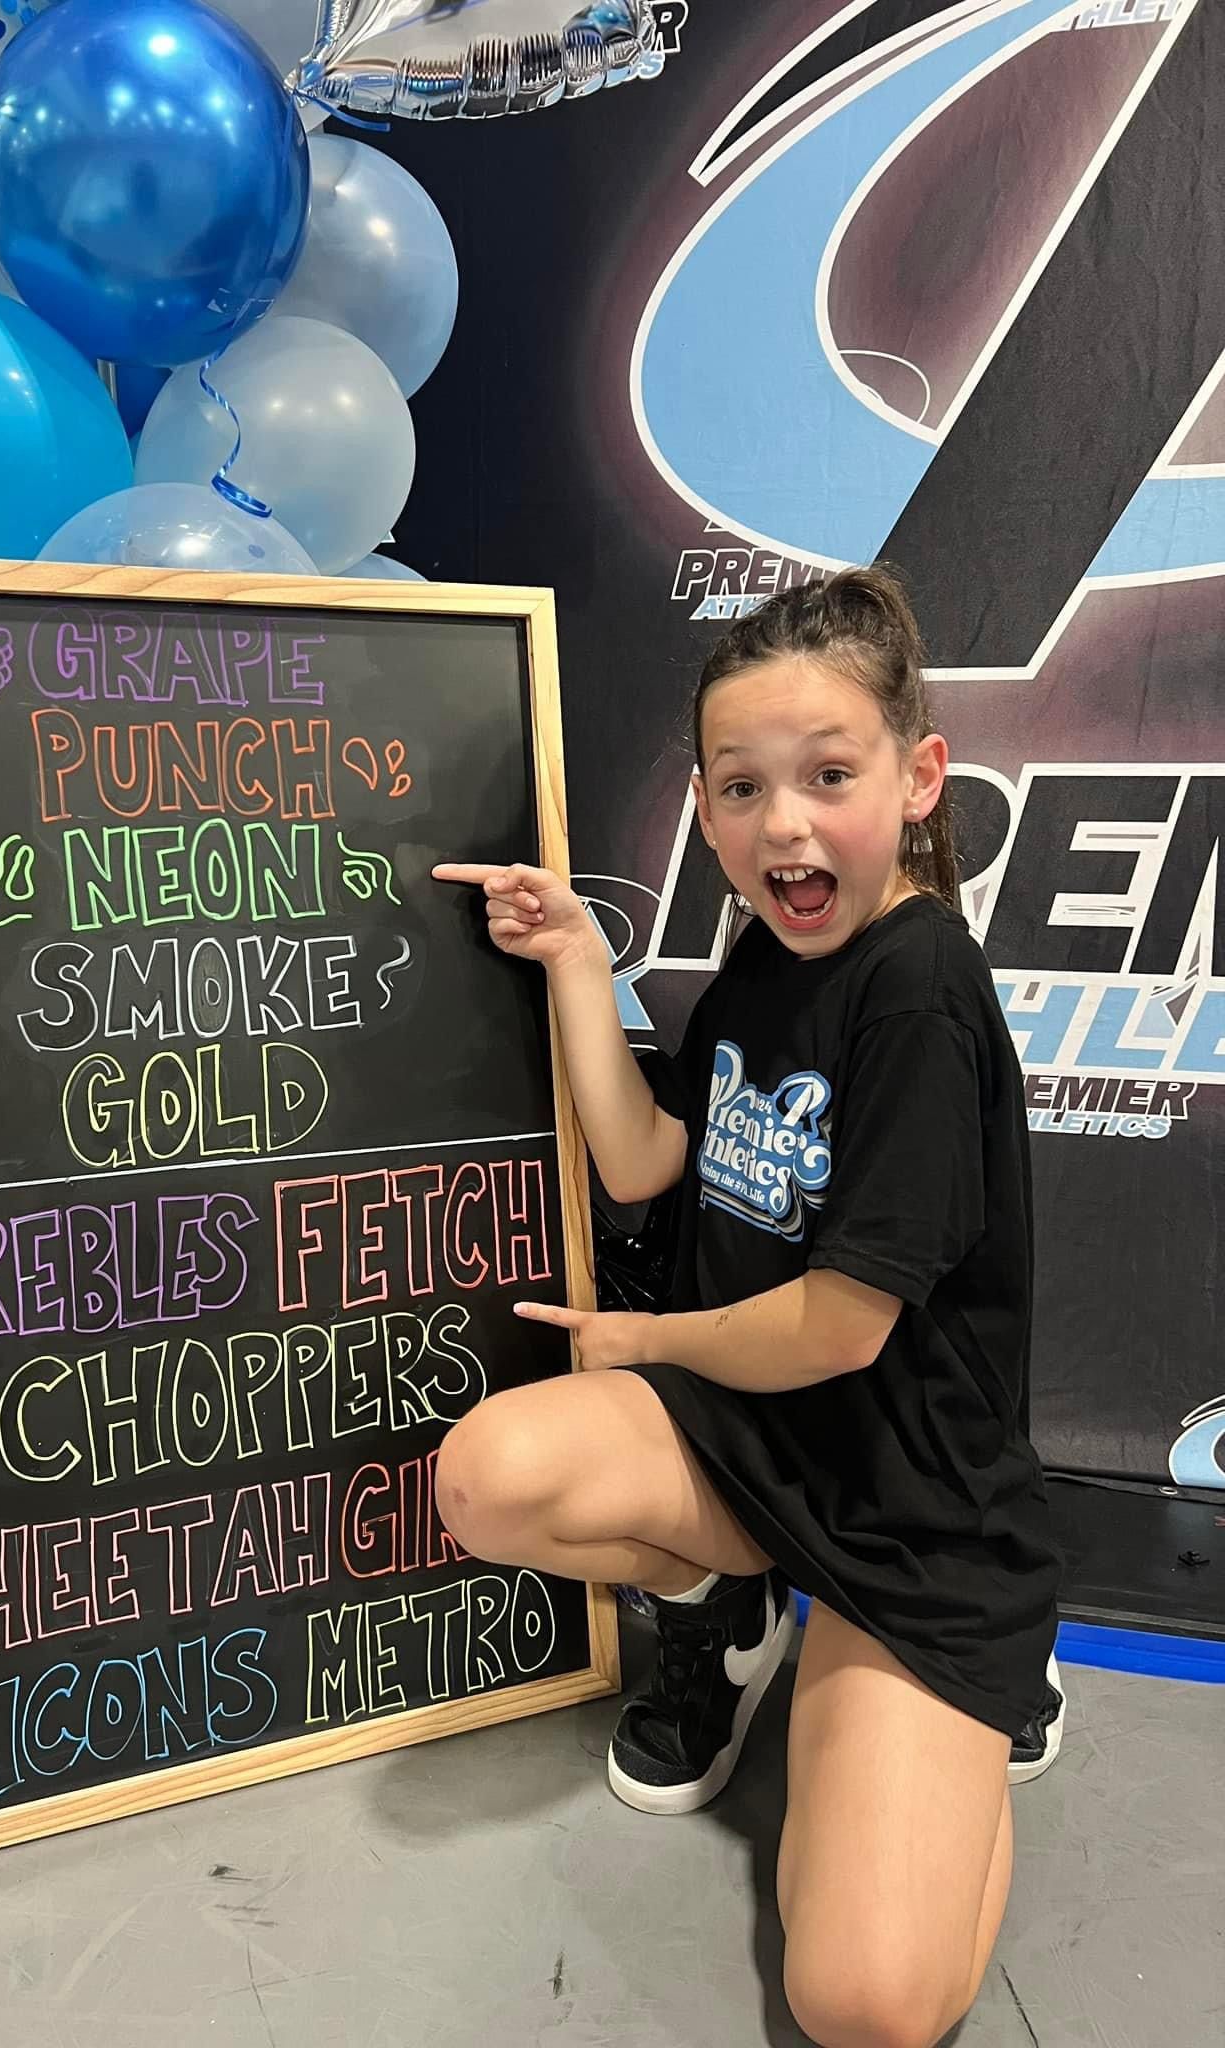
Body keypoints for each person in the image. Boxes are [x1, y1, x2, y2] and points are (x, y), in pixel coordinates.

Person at [432, 566, 1063, 2048]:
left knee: (862, 2004)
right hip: (753, 1451)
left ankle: (987, 1701)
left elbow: (843, 1325)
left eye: (827, 776)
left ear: (916, 781)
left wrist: (642, 1342)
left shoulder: (916, 990)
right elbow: (651, 1158)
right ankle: (726, 1606)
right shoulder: (766, 962)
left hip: (912, 1520)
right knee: (489, 1476)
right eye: (740, 787)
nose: (782, 824)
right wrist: (581, 956)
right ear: (706, 808)